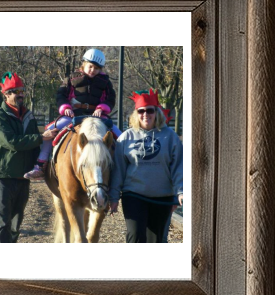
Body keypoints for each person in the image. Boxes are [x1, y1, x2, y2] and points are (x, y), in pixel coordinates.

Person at [24, 48, 121, 180]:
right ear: (84, 64)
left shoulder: (105, 82)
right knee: (50, 129)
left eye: (97, 68)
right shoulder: (72, 78)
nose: (93, 70)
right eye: (90, 66)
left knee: (120, 136)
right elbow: (61, 94)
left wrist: (101, 108)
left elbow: (111, 99)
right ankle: (41, 164)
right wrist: (66, 107)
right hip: (75, 114)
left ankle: (124, 166)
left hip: (97, 115)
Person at [0, 71, 58, 242]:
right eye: (17, 92)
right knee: (3, 222)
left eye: (22, 91)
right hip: (3, 176)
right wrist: (41, 137)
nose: (21, 95)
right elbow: (11, 142)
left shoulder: (28, 115)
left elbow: (35, 147)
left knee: (16, 223)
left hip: (22, 176)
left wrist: (41, 164)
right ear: (6, 95)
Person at [109, 89, 183, 243]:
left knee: (156, 240)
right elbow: (118, 170)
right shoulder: (126, 138)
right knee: (135, 236)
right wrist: (114, 196)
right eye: (141, 111)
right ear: (136, 114)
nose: (145, 114)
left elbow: (178, 167)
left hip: (162, 197)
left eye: (150, 110)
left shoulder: (170, 137)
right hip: (134, 195)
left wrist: (180, 192)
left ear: (156, 112)